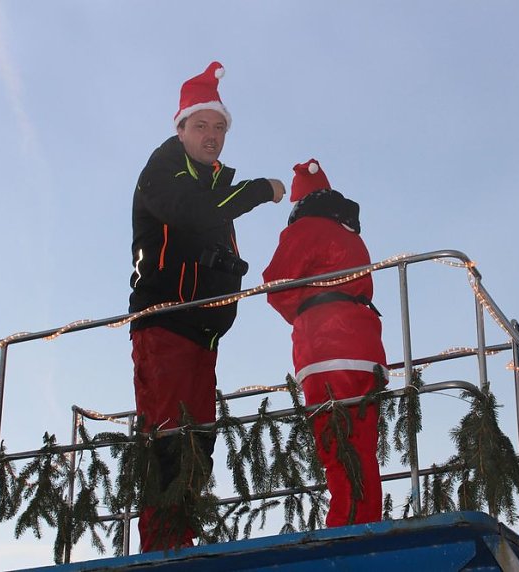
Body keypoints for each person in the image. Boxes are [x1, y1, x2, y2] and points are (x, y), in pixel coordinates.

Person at [129, 61, 285, 551]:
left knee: (199, 440)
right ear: (181, 129)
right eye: (201, 125)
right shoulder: (163, 172)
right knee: (168, 437)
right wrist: (258, 190)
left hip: (204, 334)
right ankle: (160, 550)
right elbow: (193, 214)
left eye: (219, 127)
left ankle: (182, 540)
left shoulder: (213, 183)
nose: (212, 135)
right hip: (164, 322)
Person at [262, 159, 386, 527]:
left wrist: (303, 311)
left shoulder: (306, 228)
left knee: (337, 445)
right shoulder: (350, 234)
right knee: (362, 445)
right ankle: (367, 521)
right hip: (366, 345)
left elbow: (276, 285)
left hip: (326, 345)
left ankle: (346, 528)